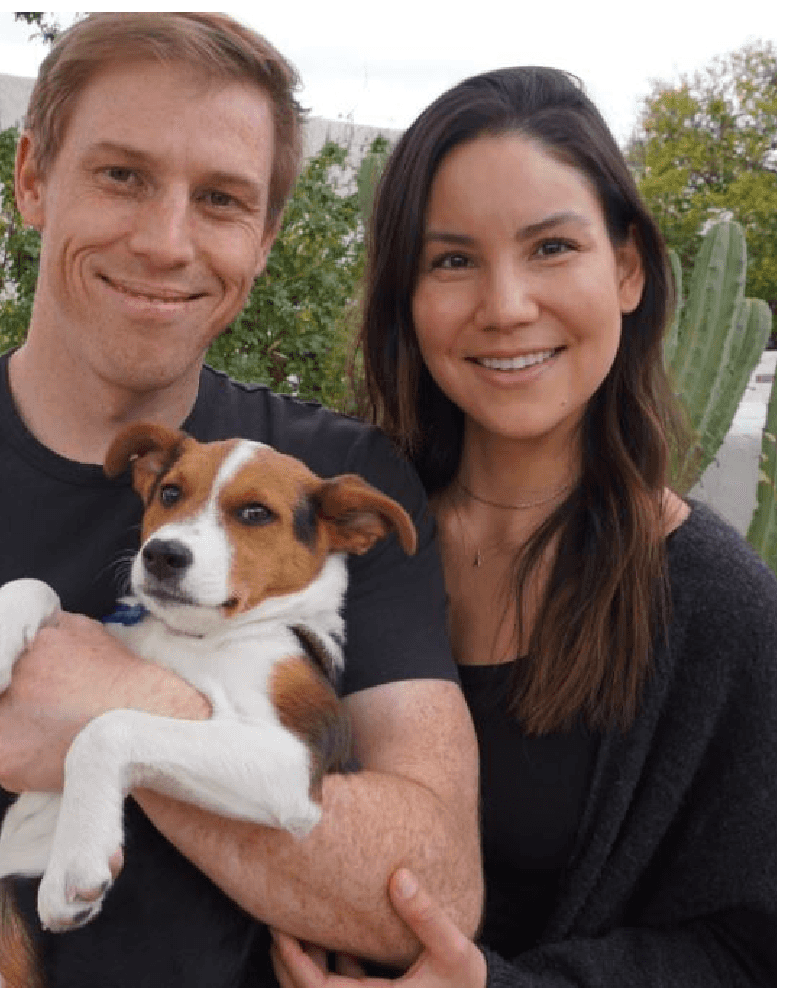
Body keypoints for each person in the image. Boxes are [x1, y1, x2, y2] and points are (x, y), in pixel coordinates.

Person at [0, 12, 481, 985]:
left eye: (219, 199)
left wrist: (116, 710)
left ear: (263, 238)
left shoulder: (331, 487)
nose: (165, 242)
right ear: (31, 177)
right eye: (121, 175)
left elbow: (430, 886)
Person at [274, 65, 774, 987]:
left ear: (626, 268)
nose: (505, 307)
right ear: (408, 297)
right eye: (453, 260)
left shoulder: (721, 609)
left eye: (551, 248)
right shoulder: (342, 543)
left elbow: (751, 952)